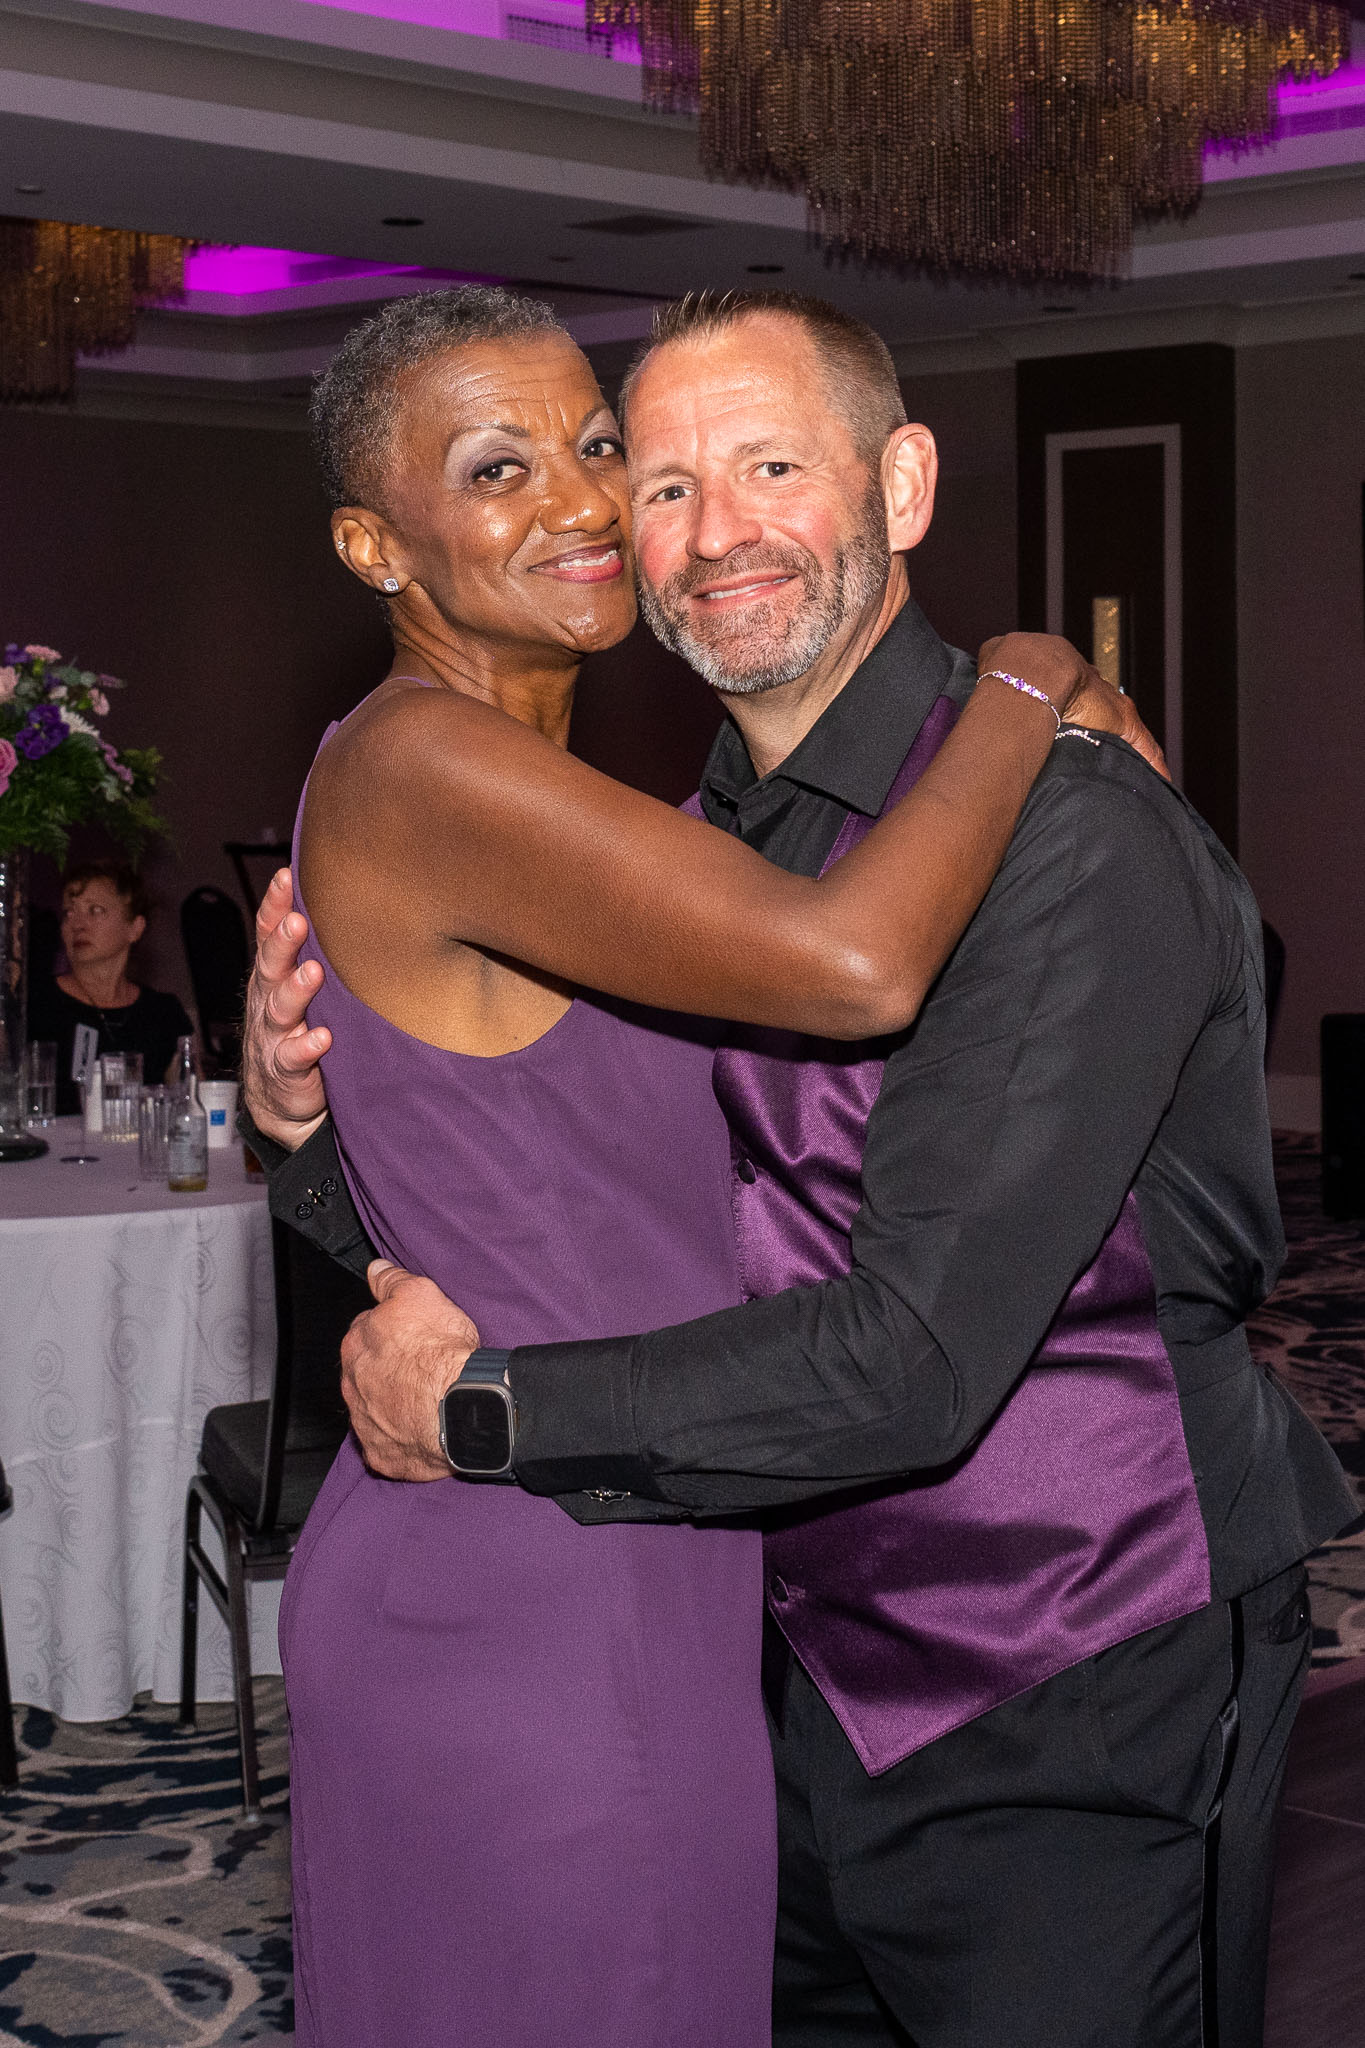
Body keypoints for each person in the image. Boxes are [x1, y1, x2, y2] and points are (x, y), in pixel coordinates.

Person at [248, 290, 1356, 2048]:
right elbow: (560, 1177)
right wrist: (308, 1128)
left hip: (1061, 1674)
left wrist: (483, 1410)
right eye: (665, 482)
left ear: (900, 489)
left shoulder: (1067, 828)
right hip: (755, 1644)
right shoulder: (693, 844)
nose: (696, 528)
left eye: (768, 468)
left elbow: (916, 1354)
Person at [29, 859, 192, 1114]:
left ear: (134, 928)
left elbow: (189, 1106)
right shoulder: (34, 1004)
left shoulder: (163, 1013)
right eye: (69, 913)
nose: (77, 924)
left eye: (95, 910)